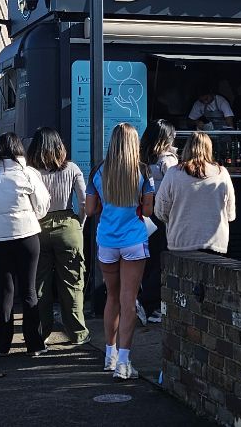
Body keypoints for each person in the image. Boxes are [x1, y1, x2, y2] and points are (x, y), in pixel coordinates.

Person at [85, 122, 155, 380]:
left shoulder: (98, 171)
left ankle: (109, 355)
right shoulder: (143, 171)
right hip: (134, 241)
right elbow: (147, 211)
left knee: (111, 298)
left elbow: (90, 210)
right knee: (128, 300)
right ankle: (124, 363)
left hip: (107, 240)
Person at [0, 132, 51, 357]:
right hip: (26, 235)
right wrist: (31, 217)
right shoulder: (28, 173)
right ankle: (35, 344)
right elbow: (43, 204)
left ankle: (2, 345)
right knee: (29, 290)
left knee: (5, 290)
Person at [28, 127, 89, 345]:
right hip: (68, 226)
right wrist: (78, 224)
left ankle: (41, 332)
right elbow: (84, 203)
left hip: (37, 228)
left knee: (40, 283)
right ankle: (77, 332)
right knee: (72, 282)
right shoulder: (71, 169)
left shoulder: (30, 171)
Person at [154, 131, 236, 254]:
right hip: (215, 242)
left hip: (181, 241)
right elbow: (230, 214)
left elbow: (160, 211)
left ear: (187, 148)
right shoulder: (222, 173)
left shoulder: (173, 173)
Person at [138, 119, 178, 324]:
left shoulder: (142, 157)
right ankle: (152, 306)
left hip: (145, 214)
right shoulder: (167, 161)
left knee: (148, 258)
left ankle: (145, 301)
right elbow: (175, 188)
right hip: (162, 215)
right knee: (160, 260)